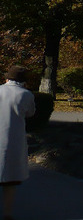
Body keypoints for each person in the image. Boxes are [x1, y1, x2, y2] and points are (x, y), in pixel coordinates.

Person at [0, 66, 35, 220]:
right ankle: (7, 214)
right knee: (10, 181)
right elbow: (30, 113)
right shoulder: (26, 94)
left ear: (7, 78)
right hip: (13, 140)